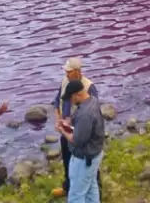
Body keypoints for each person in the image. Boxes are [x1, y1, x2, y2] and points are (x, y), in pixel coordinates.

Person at [51, 57, 98, 198]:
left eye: (69, 71)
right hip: (65, 131)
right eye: (65, 71)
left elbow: (94, 112)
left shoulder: (89, 87)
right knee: (67, 161)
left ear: (77, 72)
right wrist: (58, 119)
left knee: (88, 166)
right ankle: (68, 187)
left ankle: (93, 192)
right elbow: (56, 101)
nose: (66, 74)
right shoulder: (65, 82)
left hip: (81, 133)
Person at [57, 78, 105, 203]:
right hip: (95, 154)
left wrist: (62, 131)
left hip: (84, 159)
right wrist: (69, 123)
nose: (70, 101)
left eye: (70, 98)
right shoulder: (93, 101)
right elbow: (85, 126)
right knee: (91, 188)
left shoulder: (85, 113)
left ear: (78, 94)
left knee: (75, 195)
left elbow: (76, 140)